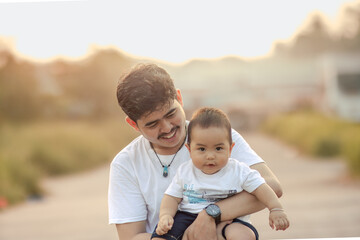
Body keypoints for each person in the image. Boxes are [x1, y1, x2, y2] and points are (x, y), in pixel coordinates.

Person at [108, 63, 283, 240]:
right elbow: (131, 237)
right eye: (152, 124)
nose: (167, 128)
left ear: (179, 98)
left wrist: (210, 214)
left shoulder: (216, 137)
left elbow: (272, 186)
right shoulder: (126, 163)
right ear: (133, 124)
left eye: (170, 114)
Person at [152, 107, 290, 240]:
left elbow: (262, 188)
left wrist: (276, 208)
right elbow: (171, 197)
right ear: (189, 149)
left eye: (218, 148)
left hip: (231, 219)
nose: (210, 156)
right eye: (201, 149)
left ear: (230, 148)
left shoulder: (239, 170)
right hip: (187, 215)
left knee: (244, 235)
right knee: (161, 235)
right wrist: (166, 215)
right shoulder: (185, 171)